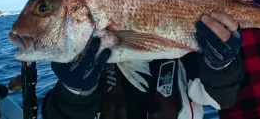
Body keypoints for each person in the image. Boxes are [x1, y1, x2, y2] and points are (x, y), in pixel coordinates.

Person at [41, 13, 246, 119]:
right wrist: (73, 92)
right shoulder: (78, 65)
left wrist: (222, 66)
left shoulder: (185, 50)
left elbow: (221, 100)